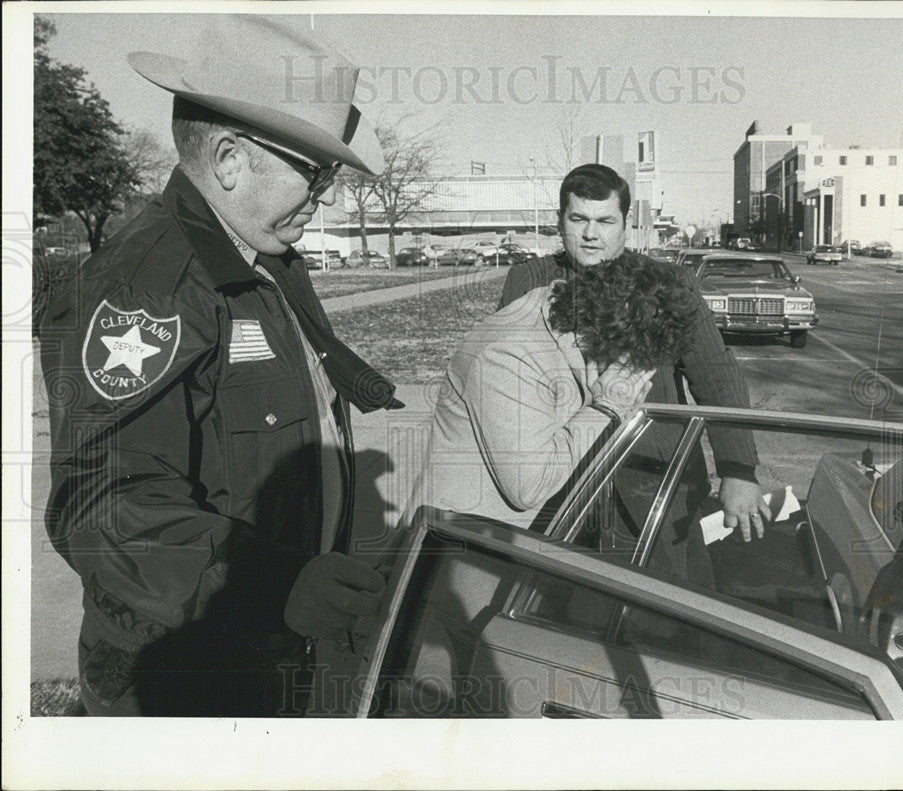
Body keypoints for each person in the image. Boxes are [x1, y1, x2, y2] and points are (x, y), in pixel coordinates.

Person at [37, 16, 397, 717]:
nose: (326, 192)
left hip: (267, 658)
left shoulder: (267, 261)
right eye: (316, 170)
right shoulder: (148, 288)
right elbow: (100, 505)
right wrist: (279, 583)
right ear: (230, 158)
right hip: (182, 688)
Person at [389, 253, 703, 713]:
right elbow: (529, 485)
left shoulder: (568, 315)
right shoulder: (510, 355)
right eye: (621, 358)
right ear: (593, 330)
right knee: (447, 715)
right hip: (460, 571)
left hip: (516, 561)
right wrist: (606, 410)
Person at [500, 163, 770, 587]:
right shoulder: (529, 281)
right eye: (579, 220)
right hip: (561, 483)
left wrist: (738, 469)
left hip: (655, 482)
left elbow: (715, 374)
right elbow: (507, 381)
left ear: (626, 224)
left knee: (672, 612)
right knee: (558, 616)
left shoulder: (667, 282)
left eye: (605, 221)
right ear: (560, 221)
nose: (592, 234)